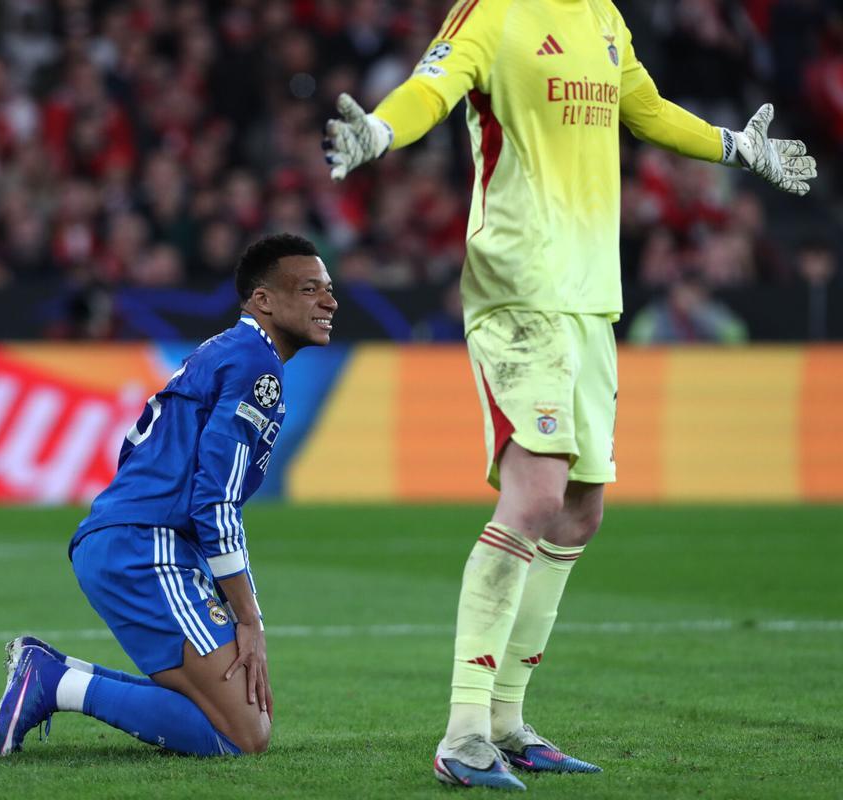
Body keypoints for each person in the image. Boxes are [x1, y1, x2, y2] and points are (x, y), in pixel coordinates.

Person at [322, 0, 816, 791]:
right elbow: (432, 88)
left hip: (591, 297)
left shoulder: (602, 15)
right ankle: (463, 732)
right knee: (535, 492)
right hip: (519, 284)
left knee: (582, 506)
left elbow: (646, 109)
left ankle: (510, 720)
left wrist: (736, 147)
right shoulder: (492, 11)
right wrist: (379, 131)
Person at [0, 233, 338, 757]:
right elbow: (215, 503)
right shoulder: (254, 365)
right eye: (311, 289)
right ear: (263, 300)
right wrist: (249, 619)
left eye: (329, 289)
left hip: (131, 540)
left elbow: (136, 454)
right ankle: (55, 683)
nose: (330, 301)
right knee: (244, 734)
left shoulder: (224, 353)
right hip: (145, 549)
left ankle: (56, 678)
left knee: (232, 720)